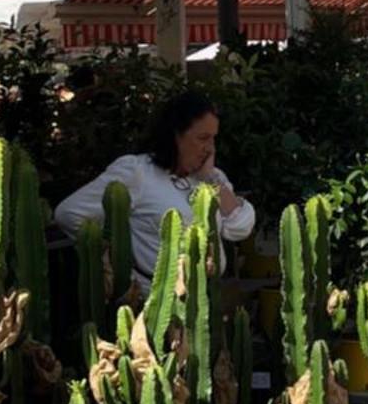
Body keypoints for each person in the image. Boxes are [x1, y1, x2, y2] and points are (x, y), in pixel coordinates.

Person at [54, 90, 255, 286]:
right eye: (203, 138)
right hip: (158, 301)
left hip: (205, 301)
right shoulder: (138, 172)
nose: (210, 147)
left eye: (214, 138)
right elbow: (70, 214)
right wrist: (115, 264)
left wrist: (210, 179)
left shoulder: (211, 177)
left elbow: (239, 227)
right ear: (176, 135)